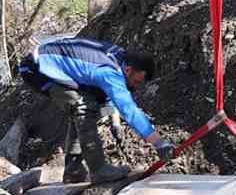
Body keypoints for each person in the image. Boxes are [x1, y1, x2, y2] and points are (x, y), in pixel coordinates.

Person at [19, 37, 174, 183]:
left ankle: (73, 170)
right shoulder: (109, 71)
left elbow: (109, 96)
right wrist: (158, 142)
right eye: (136, 82)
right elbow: (128, 109)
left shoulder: (121, 59)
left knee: (90, 105)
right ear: (128, 70)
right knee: (83, 107)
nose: (135, 86)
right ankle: (98, 170)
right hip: (37, 69)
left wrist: (115, 122)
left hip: (50, 64)